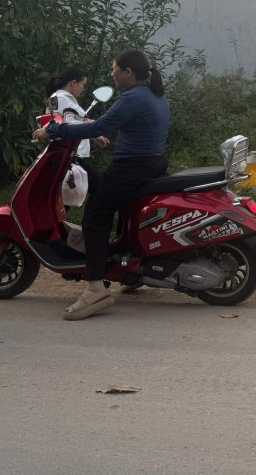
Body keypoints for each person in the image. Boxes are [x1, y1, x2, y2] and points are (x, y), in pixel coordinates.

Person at [33, 50, 170, 321]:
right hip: (153, 163)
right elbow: (103, 124)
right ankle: (131, 271)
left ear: (127, 72)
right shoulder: (154, 94)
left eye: (114, 68)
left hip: (131, 168)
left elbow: (98, 127)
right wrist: (89, 129)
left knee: (95, 217)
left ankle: (95, 288)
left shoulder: (132, 97)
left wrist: (53, 130)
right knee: (123, 211)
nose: (111, 73)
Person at [44, 66, 109, 199]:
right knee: (99, 189)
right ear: (73, 82)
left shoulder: (63, 99)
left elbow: (73, 122)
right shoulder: (58, 98)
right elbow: (52, 123)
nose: (83, 89)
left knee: (66, 193)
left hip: (75, 155)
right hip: (72, 155)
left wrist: (94, 136)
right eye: (83, 84)